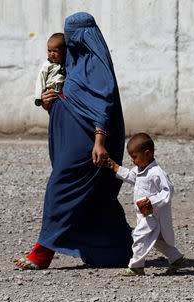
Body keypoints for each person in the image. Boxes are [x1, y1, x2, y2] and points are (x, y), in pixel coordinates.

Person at [13, 12, 132, 269]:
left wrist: (99, 142)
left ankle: (42, 253)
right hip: (73, 144)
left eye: (72, 35)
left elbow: (104, 103)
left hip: (89, 147)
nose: (69, 40)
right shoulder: (73, 65)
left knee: (60, 189)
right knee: (96, 199)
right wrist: (48, 104)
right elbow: (71, 103)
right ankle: (116, 251)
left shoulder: (95, 66)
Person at [104, 133, 186, 276]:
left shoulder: (156, 173)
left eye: (134, 156)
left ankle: (136, 266)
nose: (132, 160)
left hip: (151, 214)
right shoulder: (140, 170)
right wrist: (116, 167)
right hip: (143, 214)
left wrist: (151, 202)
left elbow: (168, 191)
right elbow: (131, 176)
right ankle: (176, 258)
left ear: (147, 154)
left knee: (139, 236)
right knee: (156, 240)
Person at [34, 33, 66, 110]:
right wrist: (38, 98)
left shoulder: (66, 63)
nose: (52, 54)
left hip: (62, 94)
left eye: (55, 51)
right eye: (49, 51)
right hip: (50, 94)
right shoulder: (47, 65)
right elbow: (40, 80)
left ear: (64, 51)